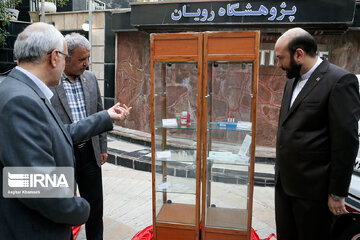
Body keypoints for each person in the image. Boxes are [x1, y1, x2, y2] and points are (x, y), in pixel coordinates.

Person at [0, 22, 131, 240]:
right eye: (64, 56)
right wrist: (79, 207)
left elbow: (19, 174)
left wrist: (105, 117)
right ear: (54, 57)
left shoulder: (18, 90)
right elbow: (36, 184)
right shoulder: (21, 100)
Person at [274, 27, 360, 240]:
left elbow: (346, 142)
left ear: (299, 54)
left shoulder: (340, 81)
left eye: (281, 58)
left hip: (314, 193)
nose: (278, 65)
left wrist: (337, 193)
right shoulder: (291, 80)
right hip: (285, 187)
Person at [50, 33, 106, 240]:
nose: (87, 64)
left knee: (95, 206)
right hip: (63, 155)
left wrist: (102, 147)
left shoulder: (90, 79)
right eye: (82, 59)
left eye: (88, 58)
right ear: (67, 57)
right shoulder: (51, 82)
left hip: (90, 153)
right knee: (63, 204)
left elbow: (99, 112)